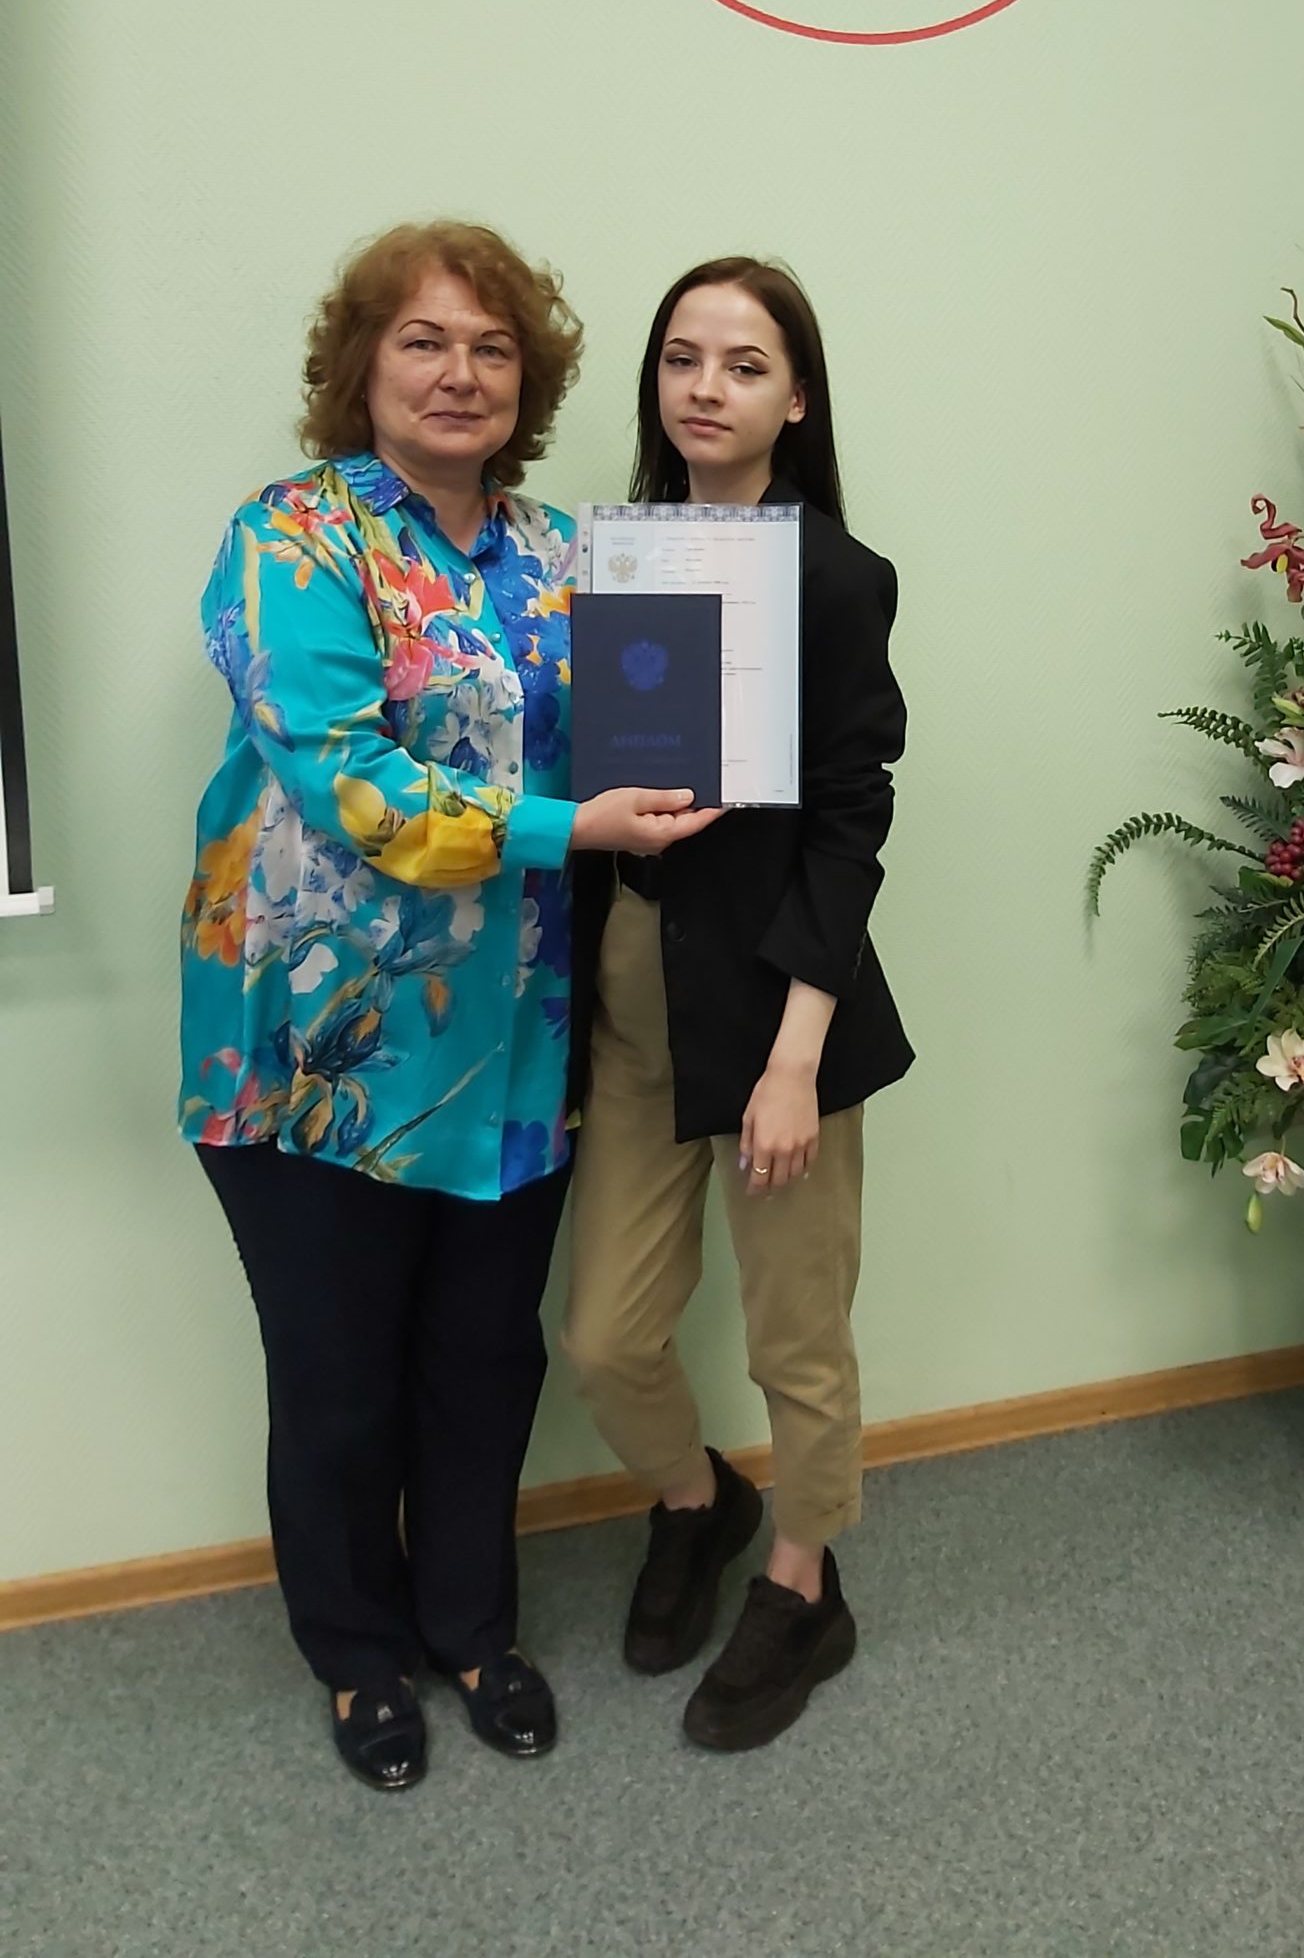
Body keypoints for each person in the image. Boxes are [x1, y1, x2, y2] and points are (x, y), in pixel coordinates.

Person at [179, 220, 718, 1792]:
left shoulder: (570, 555)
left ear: (527, 382)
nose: (460, 373)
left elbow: (665, 744)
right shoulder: (291, 537)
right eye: (423, 341)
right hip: (313, 1053)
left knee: (486, 1360)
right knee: (339, 1381)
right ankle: (357, 1656)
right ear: (362, 367)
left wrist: (728, 699)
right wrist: (577, 826)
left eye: (492, 348)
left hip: (517, 1047)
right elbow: (352, 785)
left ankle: (473, 1628)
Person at [564, 256, 912, 1753]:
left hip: (782, 1011)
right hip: (637, 993)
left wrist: (795, 1062)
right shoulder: (616, 557)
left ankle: (802, 1580)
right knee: (605, 1339)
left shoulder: (834, 576)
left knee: (796, 1340)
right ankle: (697, 1502)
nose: (705, 388)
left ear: (797, 400)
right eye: (682, 358)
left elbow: (850, 823)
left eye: (745, 364)